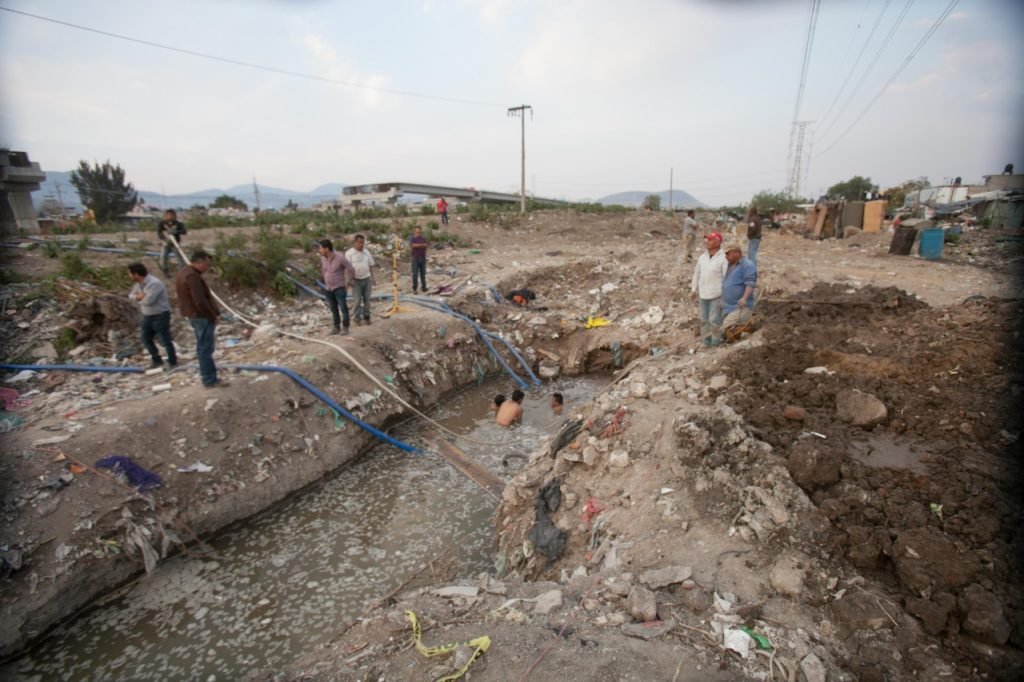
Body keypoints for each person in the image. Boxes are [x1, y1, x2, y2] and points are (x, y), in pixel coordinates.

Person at [175, 250, 227, 388]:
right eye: (206, 264)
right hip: (201, 317)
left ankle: (208, 376)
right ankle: (209, 379)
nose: (207, 267)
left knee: (202, 347)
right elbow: (199, 301)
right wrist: (212, 316)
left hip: (195, 316)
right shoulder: (192, 277)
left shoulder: (184, 272)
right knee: (205, 348)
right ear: (198, 262)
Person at [127, 262, 177, 369]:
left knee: (165, 340)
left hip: (160, 314)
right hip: (148, 315)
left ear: (136, 274)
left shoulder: (154, 283)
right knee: (145, 339)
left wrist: (139, 298)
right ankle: (156, 360)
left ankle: (172, 362)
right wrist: (138, 297)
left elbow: (149, 301)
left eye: (130, 274)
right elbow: (131, 295)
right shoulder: (139, 285)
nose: (129, 276)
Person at [690, 232, 728, 347]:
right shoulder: (702, 257)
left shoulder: (723, 258)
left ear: (717, 242)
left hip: (716, 295)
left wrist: (724, 297)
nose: (707, 242)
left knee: (714, 320)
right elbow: (696, 273)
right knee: (703, 320)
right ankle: (706, 343)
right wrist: (693, 289)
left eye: (710, 240)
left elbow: (726, 278)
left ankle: (715, 342)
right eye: (707, 240)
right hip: (703, 294)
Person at [318, 239, 356, 336]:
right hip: (328, 288)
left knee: (343, 308)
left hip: (339, 287)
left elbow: (351, 269)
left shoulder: (340, 257)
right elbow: (324, 270)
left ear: (327, 249)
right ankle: (336, 327)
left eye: (321, 248)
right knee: (333, 308)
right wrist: (325, 280)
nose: (320, 250)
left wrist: (348, 282)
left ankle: (346, 328)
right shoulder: (323, 259)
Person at [721, 243, 757, 340]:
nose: (726, 257)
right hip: (727, 307)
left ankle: (749, 327)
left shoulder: (747, 265)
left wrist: (744, 298)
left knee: (726, 329)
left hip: (741, 308)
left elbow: (750, 283)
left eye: (728, 254)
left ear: (736, 253)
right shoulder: (730, 265)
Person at [345, 234, 376, 325]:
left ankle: (367, 317)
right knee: (357, 300)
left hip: (366, 279)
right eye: (359, 242)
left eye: (363, 243)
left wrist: (373, 278)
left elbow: (370, 265)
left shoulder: (366, 252)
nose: (361, 244)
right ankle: (357, 318)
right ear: (355, 242)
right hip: (356, 280)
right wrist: (348, 281)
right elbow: (347, 269)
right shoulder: (349, 254)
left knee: (367, 299)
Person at [157, 209, 187, 274]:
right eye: (168, 215)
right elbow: (159, 232)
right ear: (166, 216)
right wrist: (163, 238)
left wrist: (176, 232)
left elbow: (184, 231)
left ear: (174, 216)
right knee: (163, 257)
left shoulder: (178, 223)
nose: (170, 217)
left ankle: (181, 272)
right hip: (166, 243)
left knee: (179, 258)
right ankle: (165, 271)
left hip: (175, 244)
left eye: (172, 215)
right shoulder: (162, 223)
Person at [409, 226, 428, 293]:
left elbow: (426, 245)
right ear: (414, 232)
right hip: (415, 258)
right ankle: (415, 289)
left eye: (420, 232)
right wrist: (421, 245)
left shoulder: (423, 238)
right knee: (415, 274)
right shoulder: (412, 238)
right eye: (417, 232)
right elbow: (413, 245)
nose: (419, 234)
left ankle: (424, 287)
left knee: (423, 274)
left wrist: (419, 245)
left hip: (422, 258)